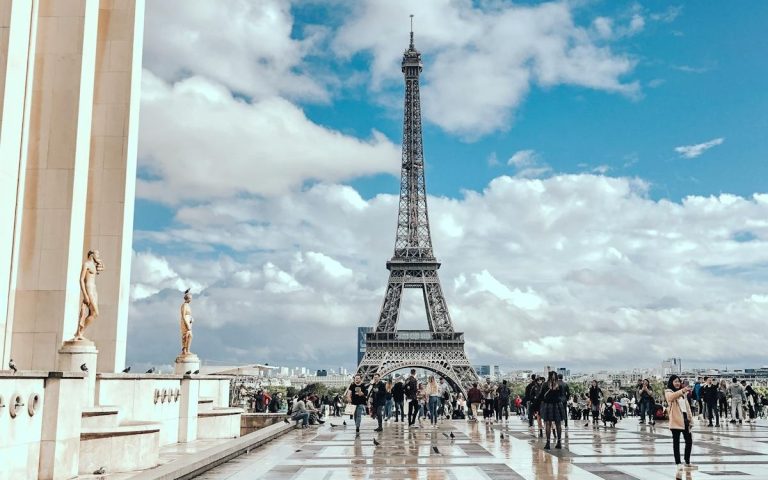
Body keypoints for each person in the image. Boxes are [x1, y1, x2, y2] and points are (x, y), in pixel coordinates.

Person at [665, 375, 696, 473]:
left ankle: (687, 461)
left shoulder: (683, 393)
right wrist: (682, 391)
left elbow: (687, 407)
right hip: (676, 420)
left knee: (689, 441)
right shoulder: (668, 391)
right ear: (671, 382)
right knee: (676, 443)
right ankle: (678, 463)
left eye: (678, 381)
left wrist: (691, 419)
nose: (677, 383)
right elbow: (670, 398)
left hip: (685, 419)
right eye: (675, 381)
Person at [537, 371, 564, 450]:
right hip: (557, 405)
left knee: (548, 424)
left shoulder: (545, 384)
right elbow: (563, 396)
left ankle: (548, 443)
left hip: (548, 404)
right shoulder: (559, 384)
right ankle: (559, 442)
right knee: (558, 423)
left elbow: (541, 395)